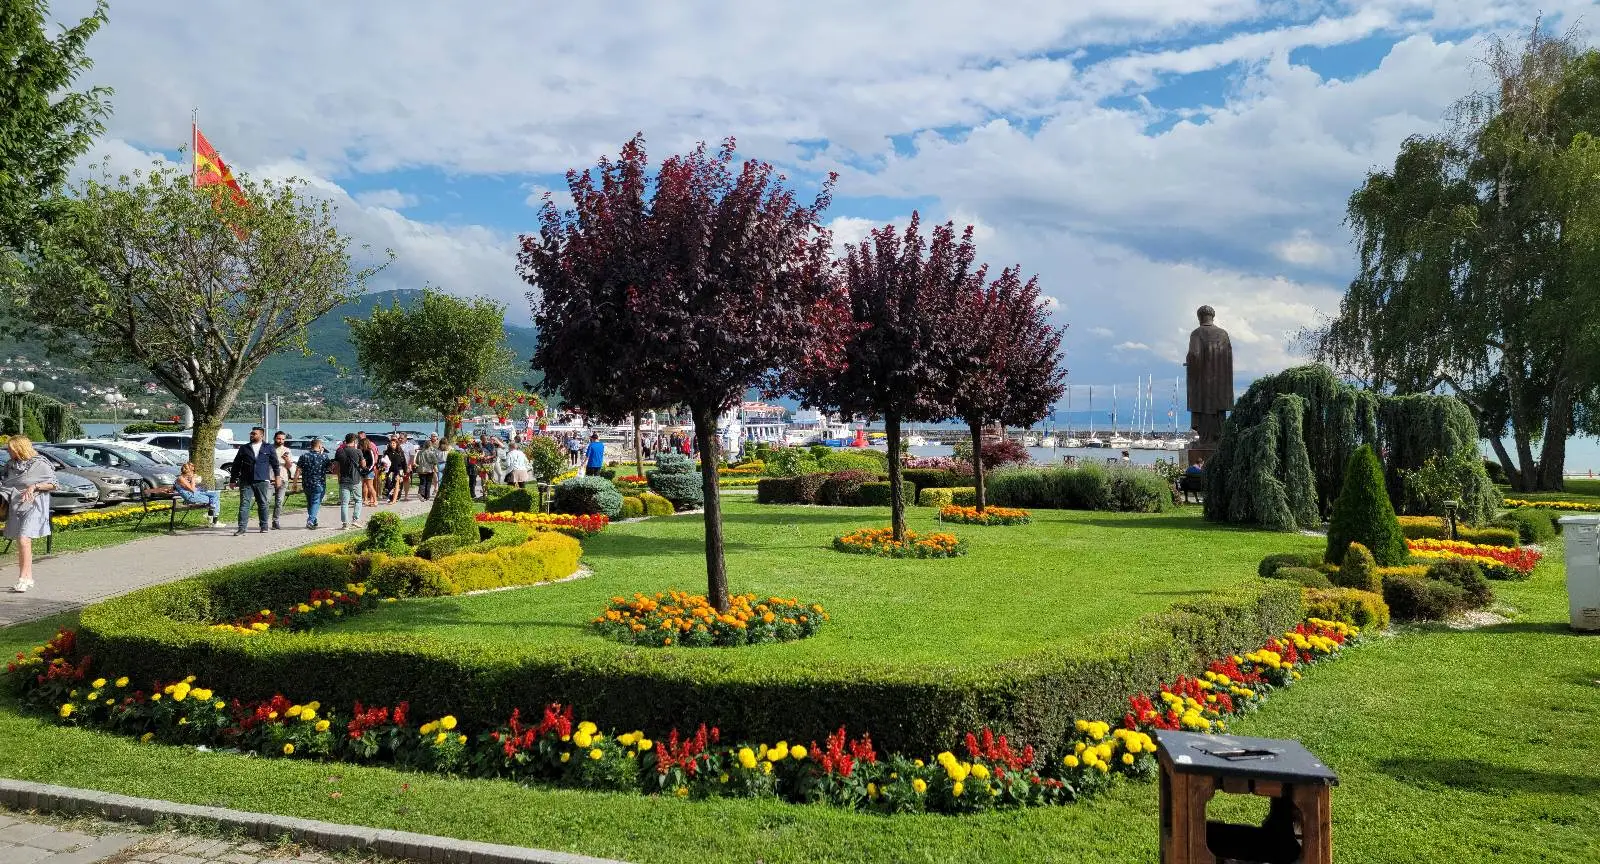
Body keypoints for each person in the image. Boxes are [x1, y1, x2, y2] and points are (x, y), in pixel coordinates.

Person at [2, 436, 56, 593]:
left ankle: (22, 579)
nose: (9, 452)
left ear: (20, 448)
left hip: (34, 505)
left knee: (24, 539)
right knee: (21, 542)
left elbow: (54, 484)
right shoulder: (10, 466)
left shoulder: (40, 464)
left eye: (11, 449)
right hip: (16, 505)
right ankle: (28, 577)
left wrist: (34, 486)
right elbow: (5, 483)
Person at [229, 426, 279, 536]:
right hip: (246, 480)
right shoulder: (244, 448)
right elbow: (236, 464)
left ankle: (264, 525)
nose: (251, 435)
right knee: (244, 504)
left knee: (263, 503)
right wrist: (233, 480)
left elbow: (275, 464)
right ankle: (242, 528)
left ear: (261, 435)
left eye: (254, 434)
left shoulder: (268, 447)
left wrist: (277, 477)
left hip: (261, 480)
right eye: (251, 434)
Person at [297, 438, 332, 529]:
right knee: (316, 502)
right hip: (319, 483)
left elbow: (298, 469)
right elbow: (330, 468)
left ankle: (314, 520)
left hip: (306, 483)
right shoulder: (324, 456)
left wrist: (295, 482)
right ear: (320, 446)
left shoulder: (304, 456)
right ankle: (311, 520)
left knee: (310, 502)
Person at [174, 461, 221, 526]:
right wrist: (193, 480)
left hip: (194, 495)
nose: (193, 473)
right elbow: (192, 490)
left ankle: (211, 516)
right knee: (214, 499)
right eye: (192, 471)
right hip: (191, 497)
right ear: (188, 471)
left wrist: (196, 482)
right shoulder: (181, 479)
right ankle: (213, 519)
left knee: (216, 494)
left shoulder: (184, 478)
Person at [333, 433, 364, 529]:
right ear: (355, 441)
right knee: (358, 500)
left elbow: (336, 466)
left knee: (344, 503)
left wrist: (338, 476)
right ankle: (355, 519)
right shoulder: (358, 451)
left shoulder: (339, 452)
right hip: (355, 480)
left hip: (343, 480)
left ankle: (345, 523)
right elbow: (363, 465)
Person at [269, 431, 294, 530]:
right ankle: (263, 521)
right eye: (279, 439)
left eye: (283, 439)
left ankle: (275, 521)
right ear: (275, 438)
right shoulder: (269, 448)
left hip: (283, 478)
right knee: (266, 501)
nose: (281, 441)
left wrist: (287, 459)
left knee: (279, 501)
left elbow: (289, 466)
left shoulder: (286, 450)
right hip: (270, 477)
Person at [414, 434, 441, 500]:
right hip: (429, 469)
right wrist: (435, 467)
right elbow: (435, 461)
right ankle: (427, 496)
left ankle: (420, 493)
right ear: (430, 445)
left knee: (422, 482)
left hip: (421, 470)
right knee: (428, 483)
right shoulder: (431, 452)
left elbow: (417, 461)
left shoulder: (420, 452)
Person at [384, 438, 407, 503]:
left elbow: (404, 462)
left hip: (399, 470)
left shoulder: (400, 452)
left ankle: (394, 499)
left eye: (393, 443)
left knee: (397, 484)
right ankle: (391, 498)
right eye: (391, 443)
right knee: (389, 485)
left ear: (397, 444)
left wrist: (405, 471)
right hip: (390, 471)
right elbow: (384, 461)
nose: (392, 444)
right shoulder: (387, 452)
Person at [360, 436, 379, 507]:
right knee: (364, 485)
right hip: (363, 471)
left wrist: (368, 469)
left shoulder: (369, 451)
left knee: (370, 486)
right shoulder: (361, 451)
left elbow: (373, 462)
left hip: (369, 471)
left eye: (361, 444)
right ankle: (365, 500)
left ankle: (375, 500)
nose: (360, 445)